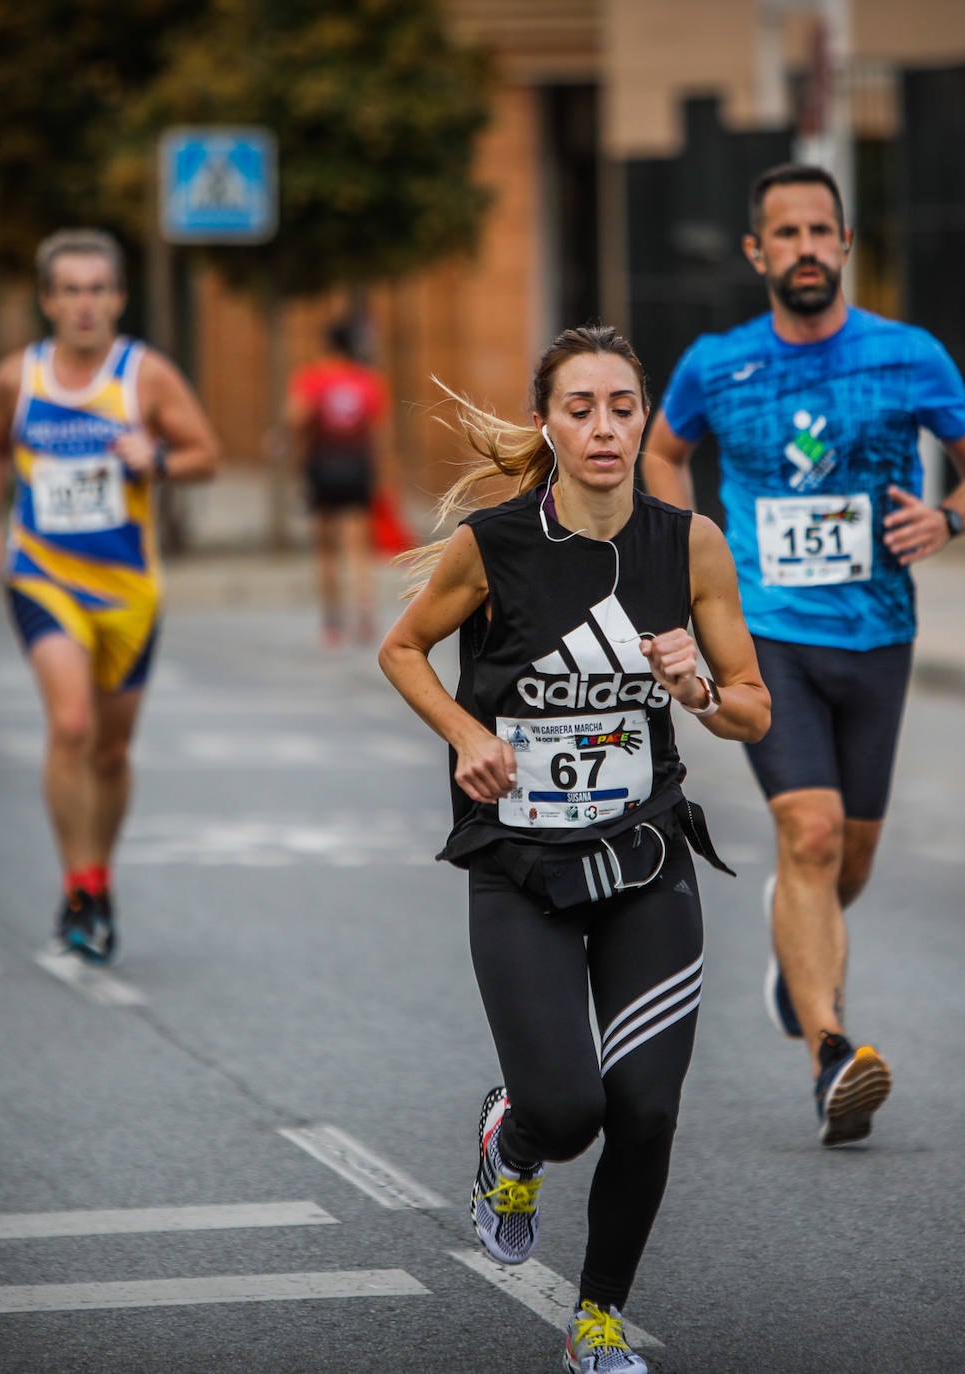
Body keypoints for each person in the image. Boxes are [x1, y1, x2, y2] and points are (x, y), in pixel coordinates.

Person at [379, 325, 769, 1372]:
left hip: (644, 857)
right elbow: (403, 647)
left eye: (622, 407)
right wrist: (466, 733)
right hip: (521, 867)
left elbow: (751, 712)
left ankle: (596, 1317)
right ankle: (511, 1139)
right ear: (547, 423)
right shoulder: (496, 544)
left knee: (643, 1105)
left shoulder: (687, 545)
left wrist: (697, 691)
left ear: (645, 418)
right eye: (581, 408)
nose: (604, 428)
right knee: (565, 1107)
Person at [645, 163, 965, 1147]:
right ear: (755, 253)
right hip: (767, 631)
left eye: (821, 231)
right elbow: (664, 451)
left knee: (845, 861)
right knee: (806, 833)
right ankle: (830, 1055)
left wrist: (944, 519)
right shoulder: (715, 365)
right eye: (786, 233)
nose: (805, 247)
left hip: (879, 633)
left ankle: (795, 939)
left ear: (844, 246)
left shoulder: (908, 355)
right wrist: (687, 548)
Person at [0, 229, 220, 962]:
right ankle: (77, 885)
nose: (84, 304)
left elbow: (208, 454)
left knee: (110, 751)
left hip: (129, 592)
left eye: (97, 289)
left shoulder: (145, 376)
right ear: (48, 300)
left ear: (117, 296)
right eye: (70, 290)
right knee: (71, 724)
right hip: (44, 576)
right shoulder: (20, 376)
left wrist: (160, 458)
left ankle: (98, 878)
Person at [286, 317, 390, 648]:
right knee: (357, 546)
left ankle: (332, 624)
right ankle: (364, 616)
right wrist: (384, 476)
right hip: (357, 467)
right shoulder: (368, 382)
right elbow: (380, 434)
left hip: (323, 466)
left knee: (326, 550)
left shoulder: (313, 379)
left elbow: (294, 417)